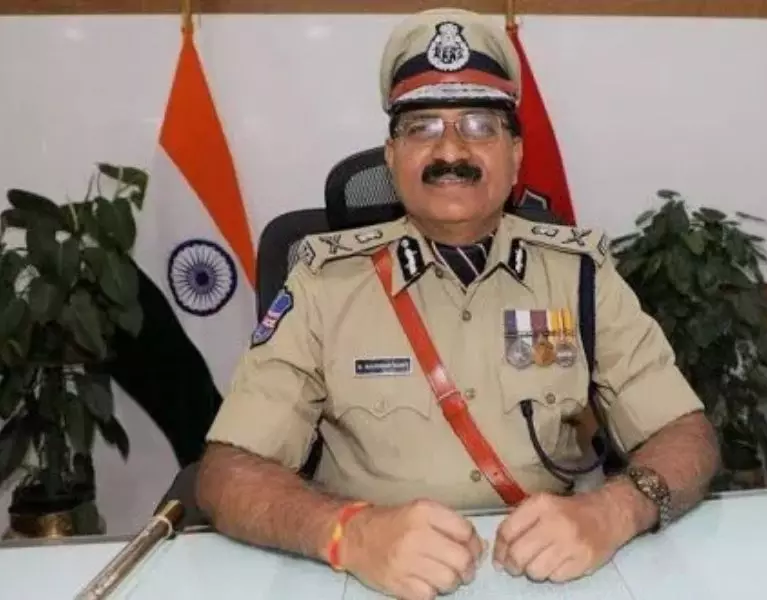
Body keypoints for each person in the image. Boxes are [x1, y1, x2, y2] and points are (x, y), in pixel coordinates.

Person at [194, 7, 720, 600]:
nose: (450, 150)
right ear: (391, 157)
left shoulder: (579, 274)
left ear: (516, 154)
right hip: (368, 578)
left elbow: (686, 434)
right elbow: (226, 472)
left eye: (478, 125)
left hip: (552, 574)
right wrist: (348, 533)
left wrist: (614, 511)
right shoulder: (323, 283)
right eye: (422, 127)